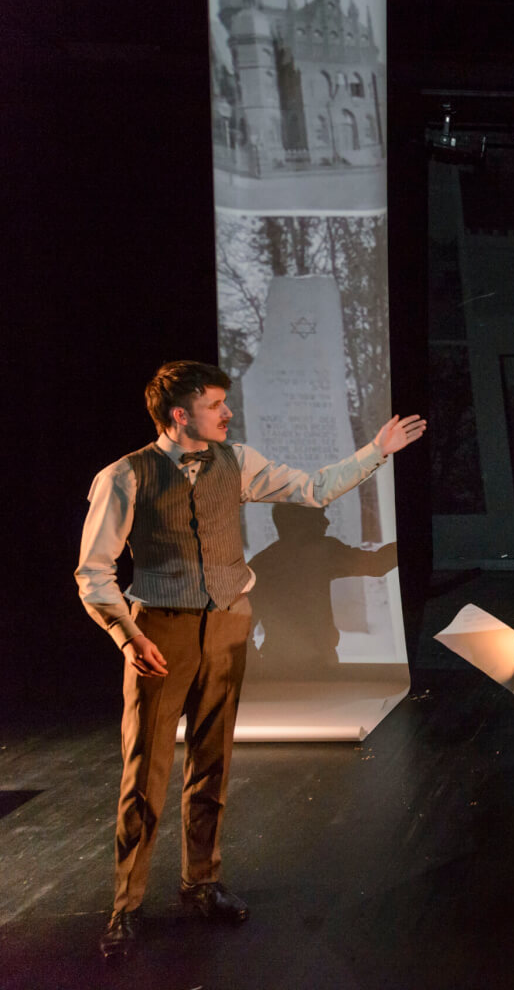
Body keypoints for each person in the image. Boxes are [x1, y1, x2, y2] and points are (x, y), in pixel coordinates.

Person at [76, 361, 425, 962]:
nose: (228, 413)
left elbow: (313, 488)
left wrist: (376, 450)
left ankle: (201, 884)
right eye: (216, 404)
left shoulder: (236, 461)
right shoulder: (124, 476)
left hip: (228, 621)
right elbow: (93, 574)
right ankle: (126, 906)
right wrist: (128, 635)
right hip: (159, 630)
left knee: (212, 763)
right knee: (146, 771)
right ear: (181, 413)